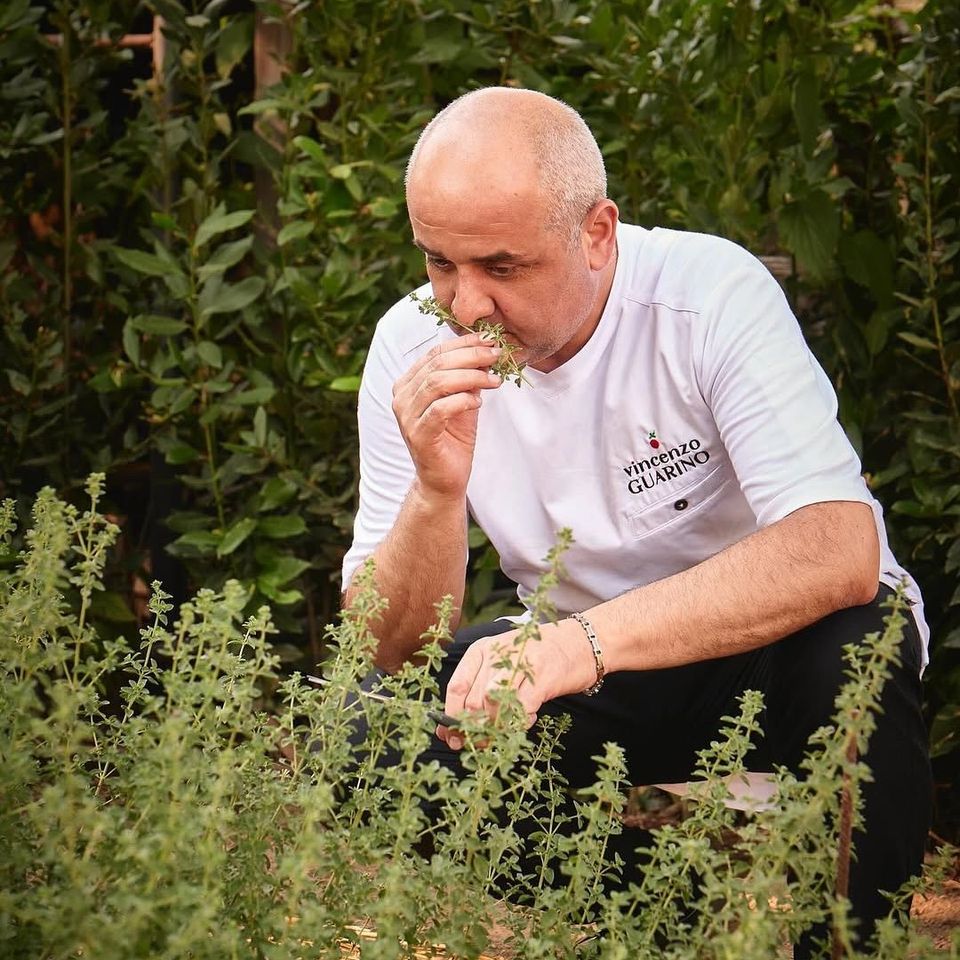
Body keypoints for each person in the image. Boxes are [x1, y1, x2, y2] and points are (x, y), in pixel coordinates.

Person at [340, 86, 931, 955]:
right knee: (365, 733)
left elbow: (841, 547)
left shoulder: (708, 294)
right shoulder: (407, 345)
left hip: (767, 650)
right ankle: (687, 918)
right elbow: (384, 644)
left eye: (502, 268)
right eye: (438, 263)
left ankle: (849, 944)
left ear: (596, 233)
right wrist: (434, 495)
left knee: (862, 642)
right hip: (591, 677)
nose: (465, 306)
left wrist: (574, 643)